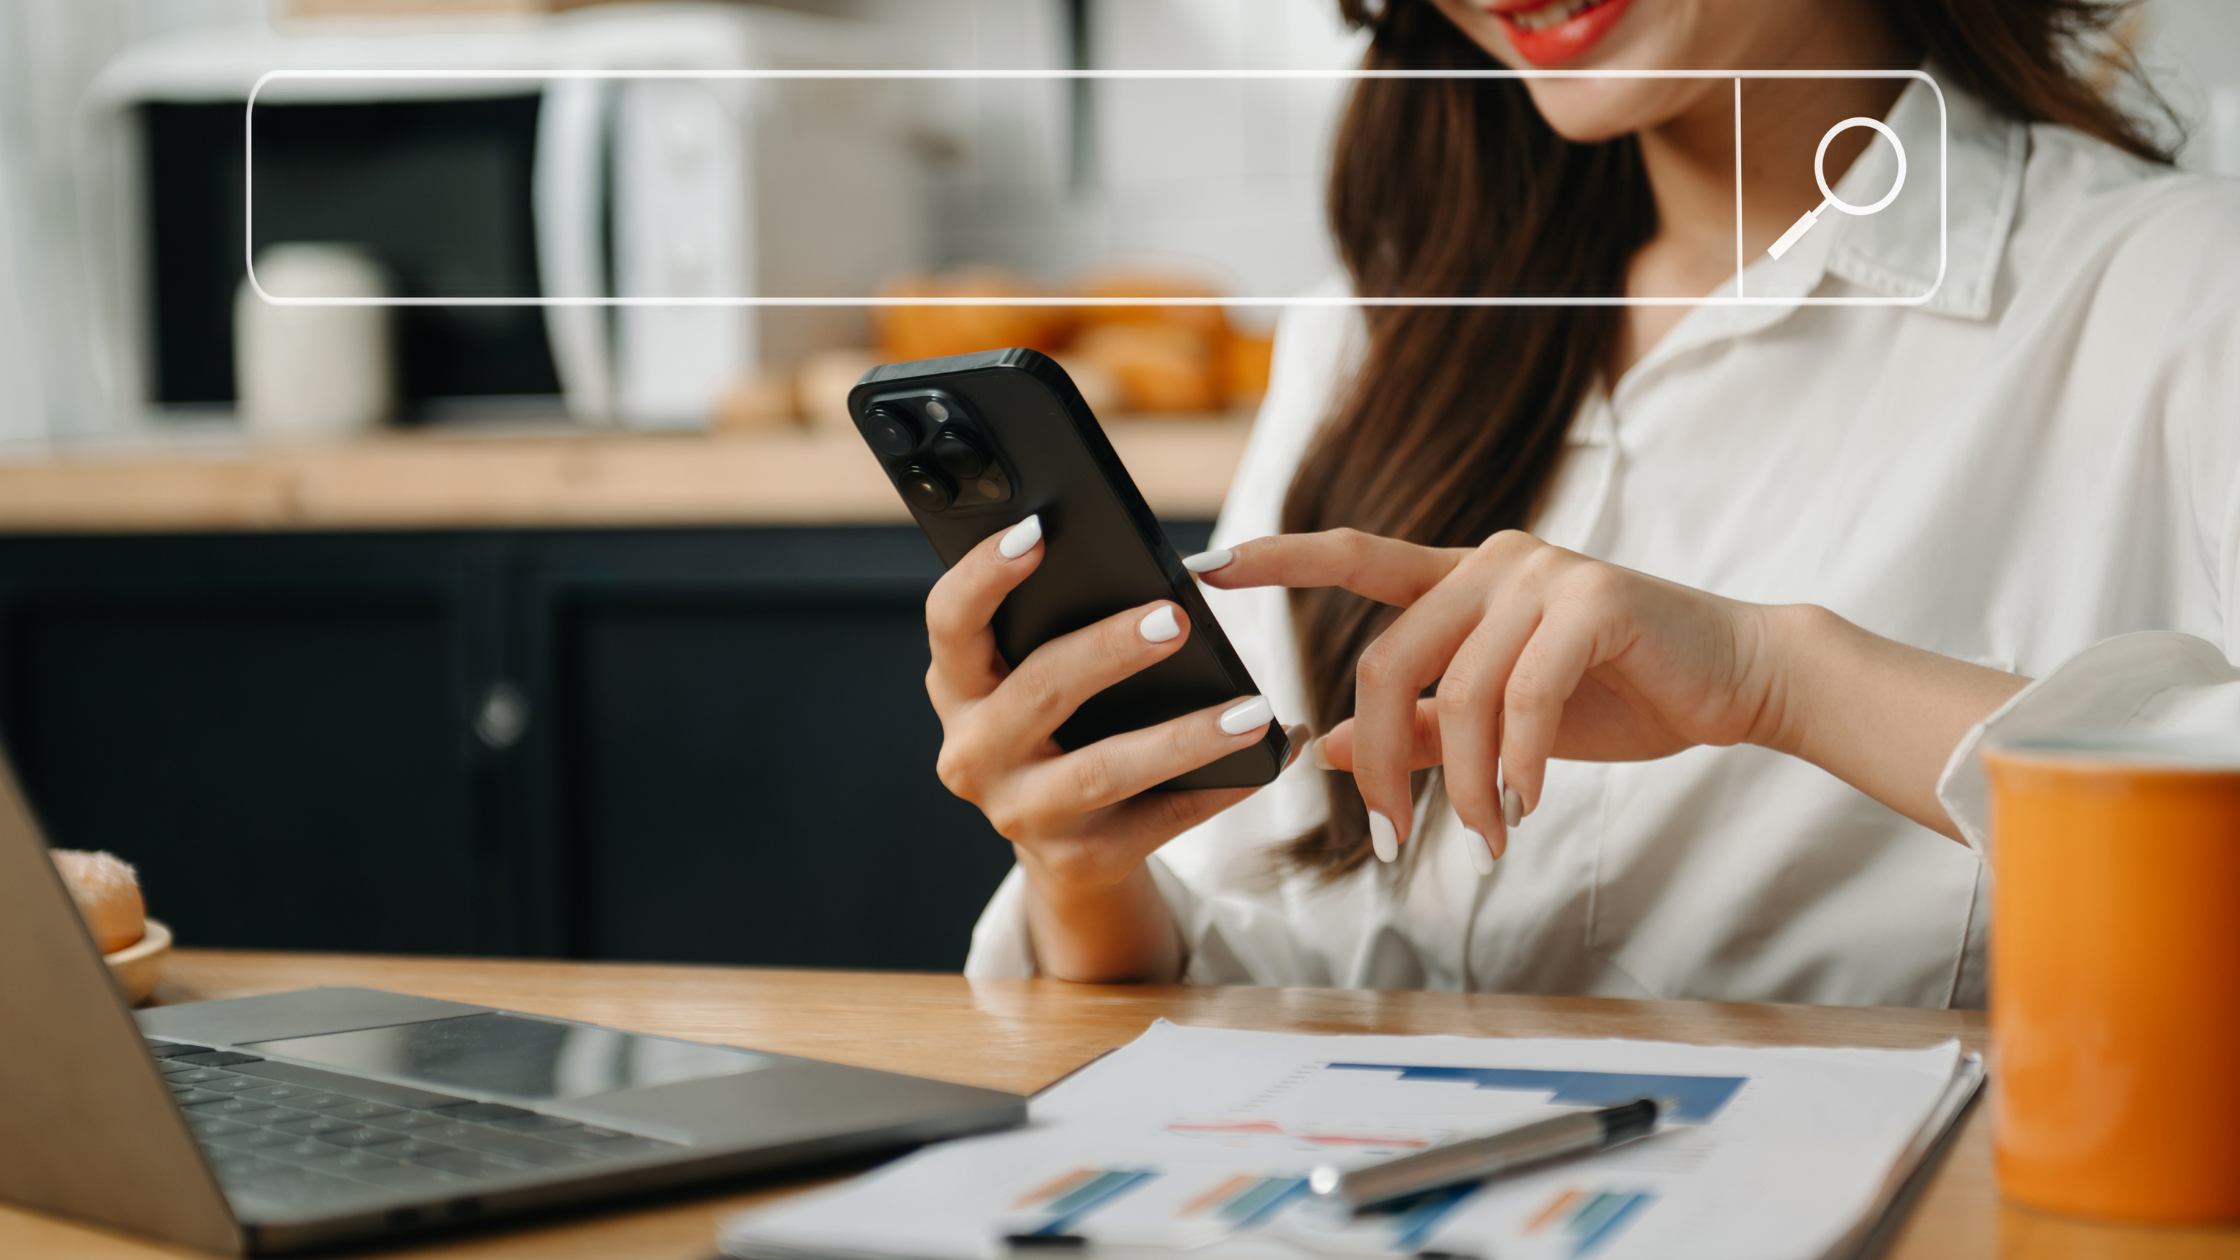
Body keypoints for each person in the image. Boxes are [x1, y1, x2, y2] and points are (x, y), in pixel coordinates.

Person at [927, 0, 2240, 1006]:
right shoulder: (1381, 338)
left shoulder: (2183, 293)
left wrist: (1779, 679)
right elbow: (1270, 965)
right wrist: (1088, 871)